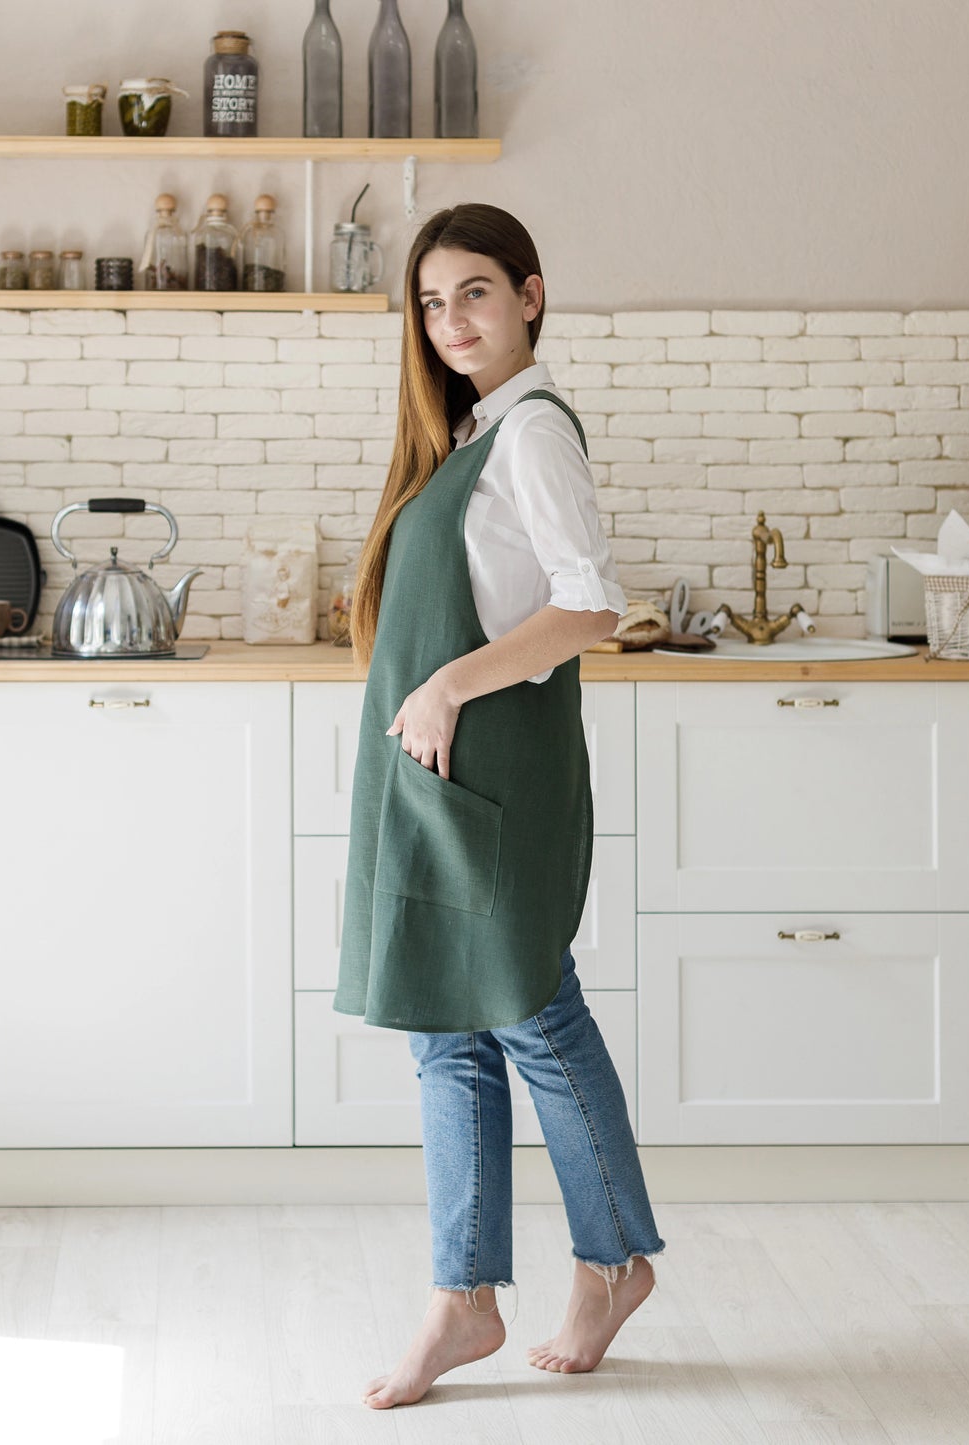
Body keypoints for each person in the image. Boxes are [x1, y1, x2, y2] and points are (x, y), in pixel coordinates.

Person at [333, 202, 665, 1410]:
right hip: (436, 770)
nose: (450, 320)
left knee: (529, 1015)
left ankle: (610, 1257)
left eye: (473, 291)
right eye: (429, 301)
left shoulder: (530, 431)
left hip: (493, 770)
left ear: (531, 292)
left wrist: (445, 681)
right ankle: (462, 1296)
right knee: (443, 1030)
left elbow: (591, 607)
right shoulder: (468, 429)